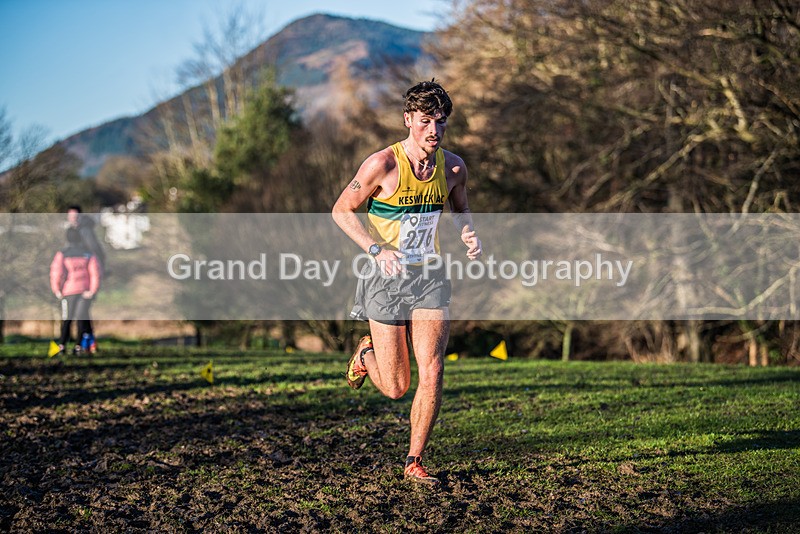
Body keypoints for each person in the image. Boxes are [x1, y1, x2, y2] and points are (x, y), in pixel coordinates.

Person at [332, 80, 482, 485]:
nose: (434, 129)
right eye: (425, 121)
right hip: (386, 278)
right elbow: (341, 210)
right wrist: (376, 250)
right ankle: (366, 356)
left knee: (432, 370)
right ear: (408, 121)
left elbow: (462, 207)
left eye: (441, 121)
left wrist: (468, 232)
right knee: (397, 387)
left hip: (429, 276)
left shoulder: (453, 167)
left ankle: (414, 460)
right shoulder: (381, 165)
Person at [50, 227, 102, 354]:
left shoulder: (63, 253)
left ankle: (61, 345)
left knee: (67, 318)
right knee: (81, 318)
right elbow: (95, 273)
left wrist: (57, 289)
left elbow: (57, 272)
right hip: (85, 291)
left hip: (69, 291)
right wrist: (92, 290)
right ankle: (79, 346)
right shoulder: (88, 253)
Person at [67, 205, 107, 274]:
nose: (73, 219)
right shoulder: (71, 230)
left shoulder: (85, 230)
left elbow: (93, 248)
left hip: (86, 264)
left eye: (75, 216)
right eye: (71, 216)